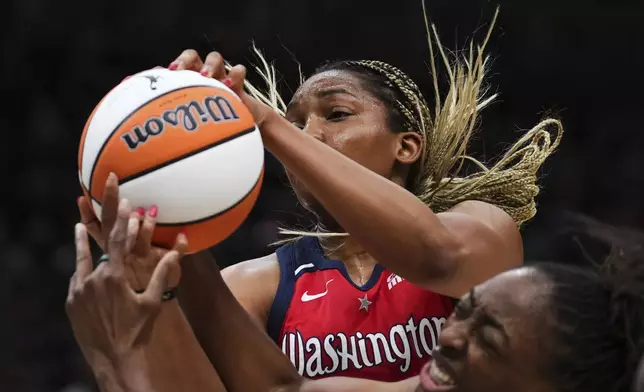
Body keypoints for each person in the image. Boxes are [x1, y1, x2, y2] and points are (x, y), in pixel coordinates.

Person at [77, 5, 562, 382]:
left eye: (335, 114)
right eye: (294, 122)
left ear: (406, 146)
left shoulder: (485, 227)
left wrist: (267, 123)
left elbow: (434, 256)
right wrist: (170, 241)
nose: (304, 135)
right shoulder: (253, 284)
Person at [68, 204, 644, 392]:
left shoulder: (475, 233)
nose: (447, 337)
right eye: (462, 313)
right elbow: (281, 387)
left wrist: (118, 356)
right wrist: (173, 233)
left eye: (486, 339)